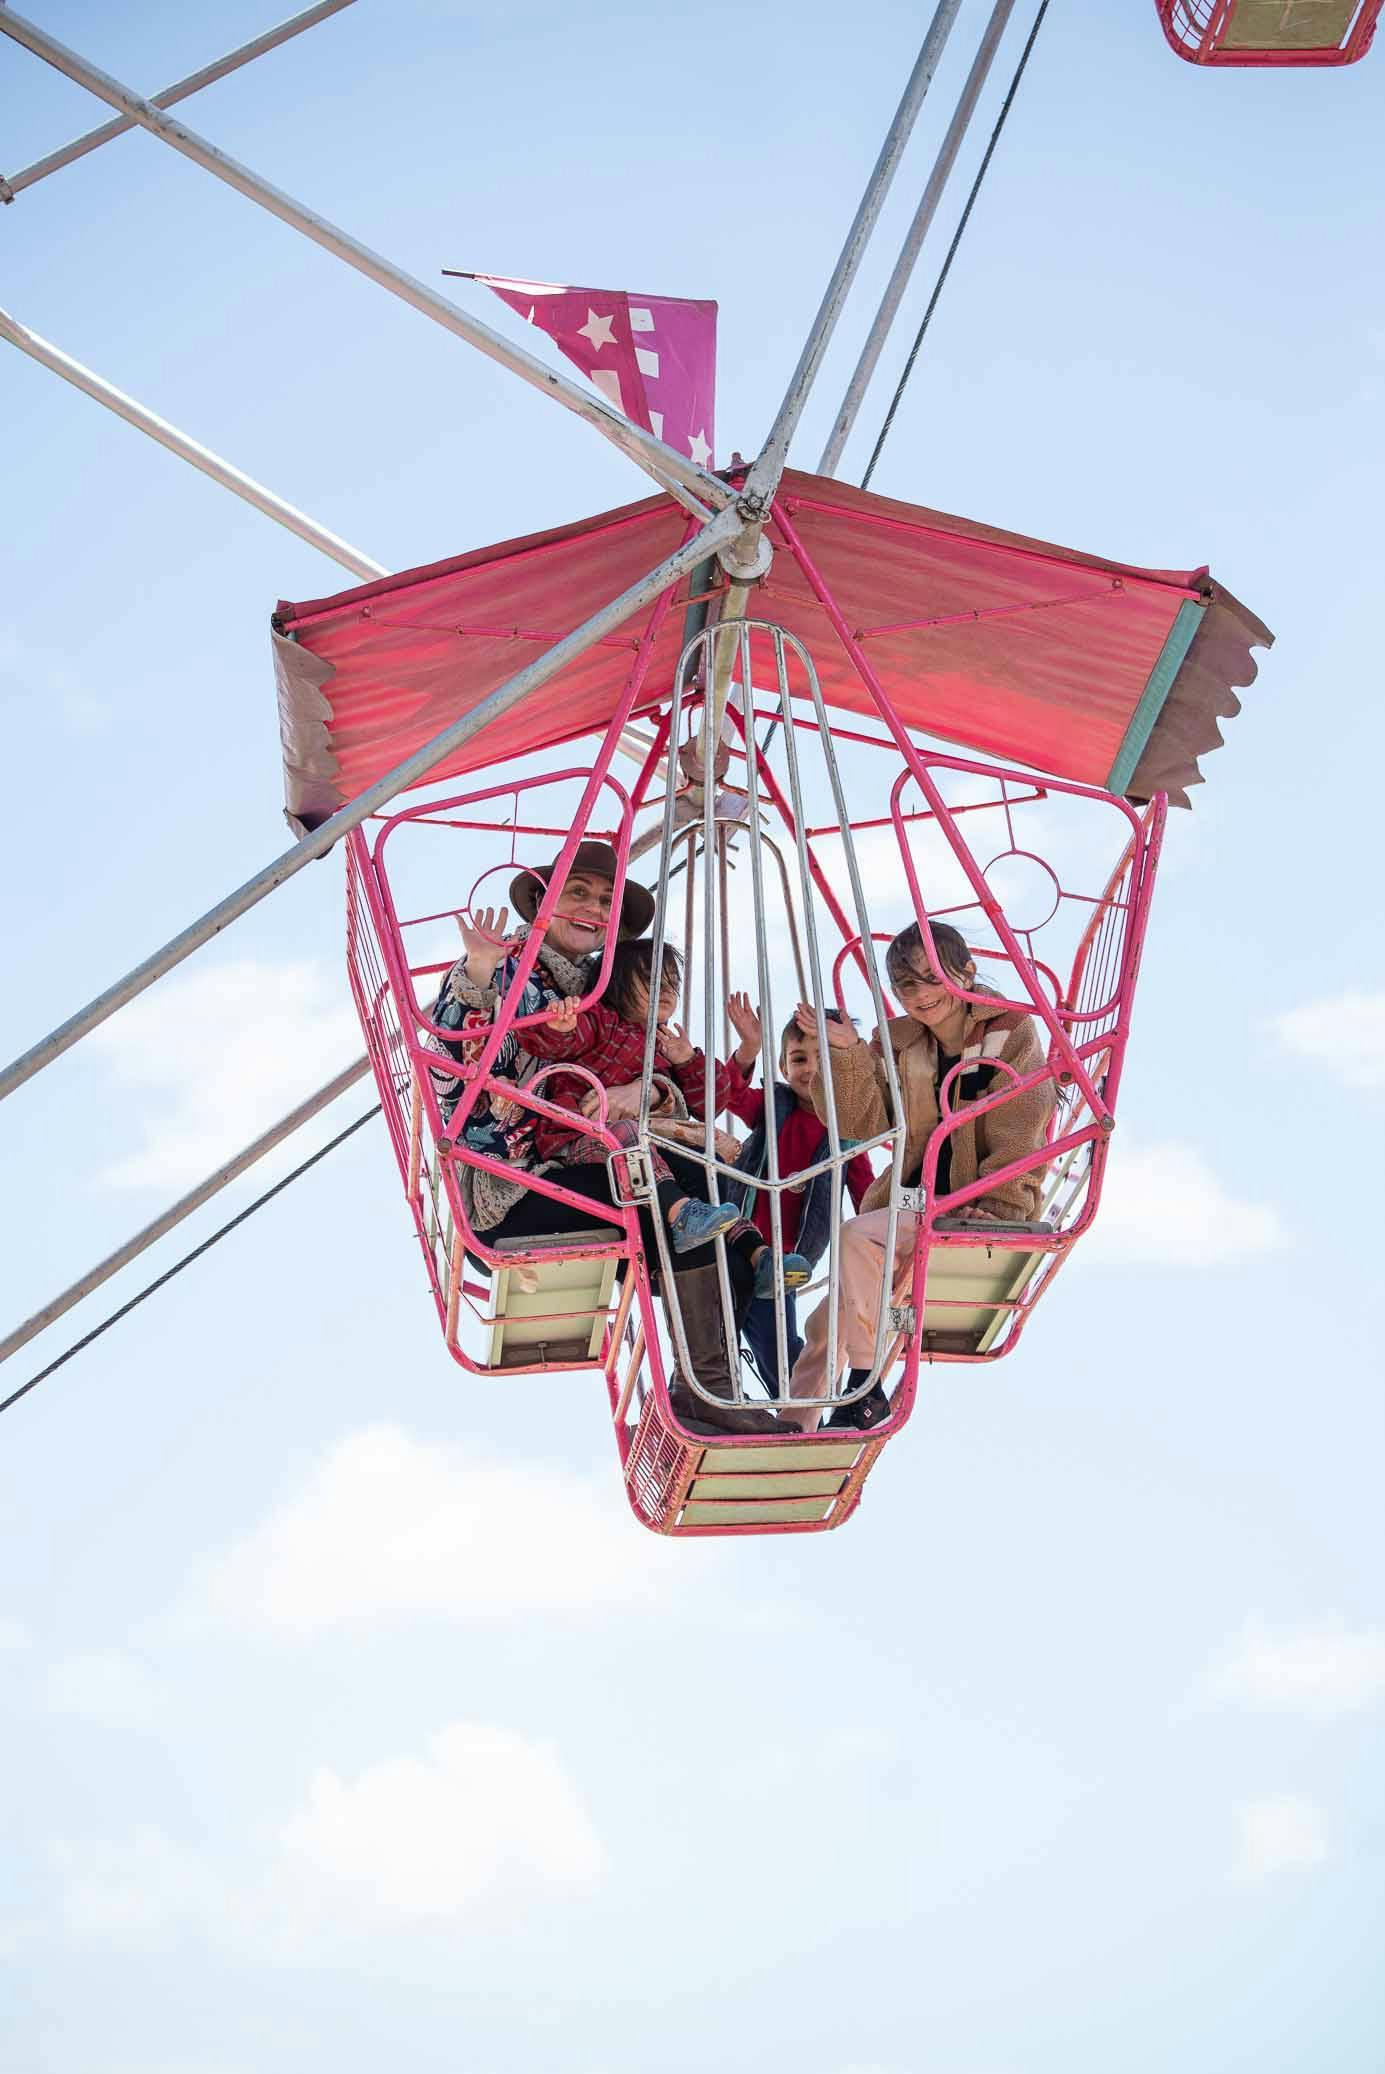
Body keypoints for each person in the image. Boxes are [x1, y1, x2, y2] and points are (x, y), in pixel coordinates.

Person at [427, 841, 779, 1435]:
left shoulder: (616, 984)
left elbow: (668, 1077)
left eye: (605, 901)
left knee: (715, 1195)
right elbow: (449, 1071)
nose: (592, 908)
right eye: (578, 893)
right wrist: (480, 974)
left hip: (610, 1162)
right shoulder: (501, 967)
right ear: (542, 902)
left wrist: (646, 1092)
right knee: (679, 1194)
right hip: (522, 1180)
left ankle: (708, 1386)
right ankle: (706, 1393)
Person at [782, 920, 1056, 1432]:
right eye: (907, 986)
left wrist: (999, 1206)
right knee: (826, 1325)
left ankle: (863, 1386)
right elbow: (860, 1119)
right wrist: (844, 1053)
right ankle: (795, 1427)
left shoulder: (1007, 1031)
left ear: (966, 972)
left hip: (974, 1204)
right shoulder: (904, 1044)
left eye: (933, 978)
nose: (922, 995)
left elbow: (1024, 1117)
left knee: (856, 1238)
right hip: (917, 1204)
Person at [525, 940, 810, 1301]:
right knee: (627, 1135)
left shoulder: (666, 1042)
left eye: (672, 983)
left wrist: (689, 1058)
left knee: (705, 1164)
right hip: (580, 1137)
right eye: (650, 981)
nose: (665, 991)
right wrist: (561, 1025)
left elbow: (711, 1101)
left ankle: (760, 1254)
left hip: (643, 1147)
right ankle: (680, 1214)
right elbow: (558, 1043)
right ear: (615, 982)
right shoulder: (600, 1020)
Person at [719, 995, 875, 1395]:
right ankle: (754, 1401)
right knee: (724, 1328)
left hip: (788, 1260)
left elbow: (865, 1193)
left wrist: (881, 1246)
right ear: (784, 1067)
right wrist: (747, 1049)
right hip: (740, 1240)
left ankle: (798, 1405)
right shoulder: (776, 1105)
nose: (811, 1070)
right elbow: (730, 1094)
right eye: (800, 1059)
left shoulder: (846, 1130)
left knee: (777, 1346)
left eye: (824, 1058)